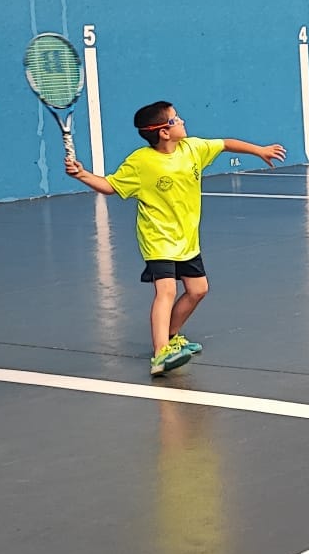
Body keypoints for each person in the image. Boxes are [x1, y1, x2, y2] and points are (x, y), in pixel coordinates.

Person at [65, 102, 287, 375]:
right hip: (157, 238)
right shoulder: (141, 162)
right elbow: (111, 186)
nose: (181, 120)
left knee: (198, 290)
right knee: (167, 290)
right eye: (175, 119)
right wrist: (82, 174)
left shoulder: (193, 148)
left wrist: (260, 150)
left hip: (187, 238)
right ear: (164, 132)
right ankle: (160, 354)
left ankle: (171, 337)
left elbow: (225, 144)